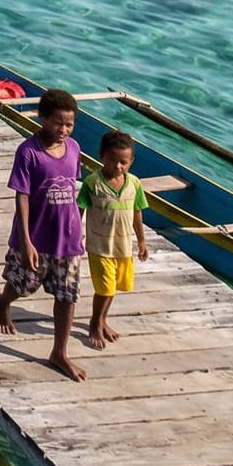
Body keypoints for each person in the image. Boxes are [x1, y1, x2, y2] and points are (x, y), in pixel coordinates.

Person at [0, 89, 88, 382]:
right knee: (23, 285)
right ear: (42, 118)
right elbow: (21, 196)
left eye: (69, 124)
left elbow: (75, 189)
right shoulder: (28, 152)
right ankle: (2, 302)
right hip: (35, 236)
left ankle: (60, 351)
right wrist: (26, 241)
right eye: (58, 123)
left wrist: (79, 228)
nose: (63, 130)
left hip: (67, 238)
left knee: (67, 295)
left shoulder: (74, 148)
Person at [81, 129, 150, 350]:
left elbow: (137, 212)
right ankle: (94, 323)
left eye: (123, 162)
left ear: (131, 162)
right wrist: (73, 236)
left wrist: (141, 241)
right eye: (113, 161)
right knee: (105, 289)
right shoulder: (93, 183)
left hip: (123, 246)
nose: (118, 166)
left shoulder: (134, 184)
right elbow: (79, 210)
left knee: (115, 287)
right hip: (99, 246)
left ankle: (102, 320)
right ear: (102, 156)